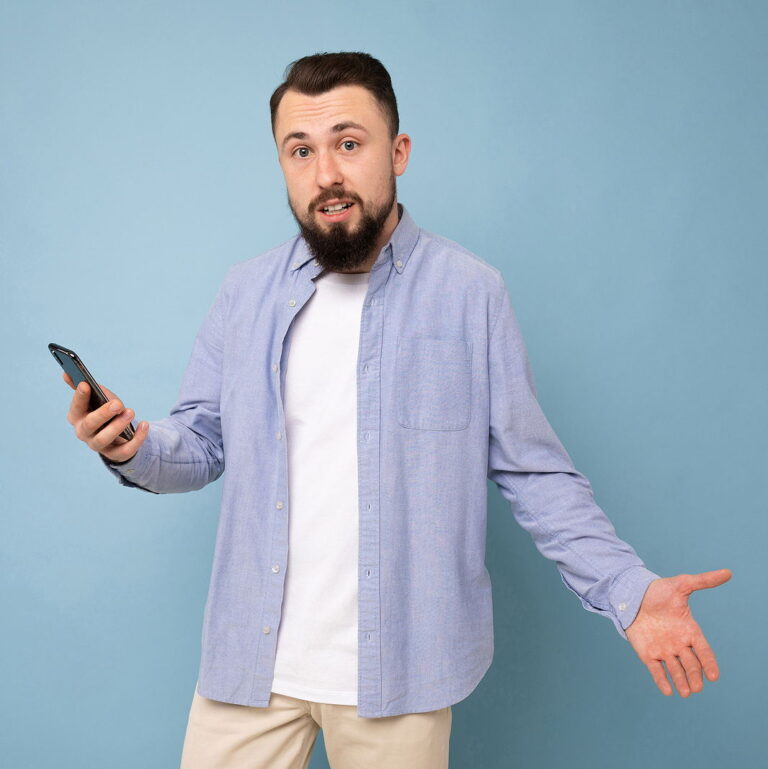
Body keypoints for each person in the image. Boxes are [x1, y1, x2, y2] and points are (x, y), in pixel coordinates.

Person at [62, 52, 732, 769]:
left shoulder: (470, 293)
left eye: (349, 143)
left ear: (398, 152)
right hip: (249, 664)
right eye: (300, 151)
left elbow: (534, 474)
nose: (326, 174)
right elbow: (201, 442)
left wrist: (629, 590)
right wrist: (131, 445)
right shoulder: (244, 292)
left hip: (403, 672)